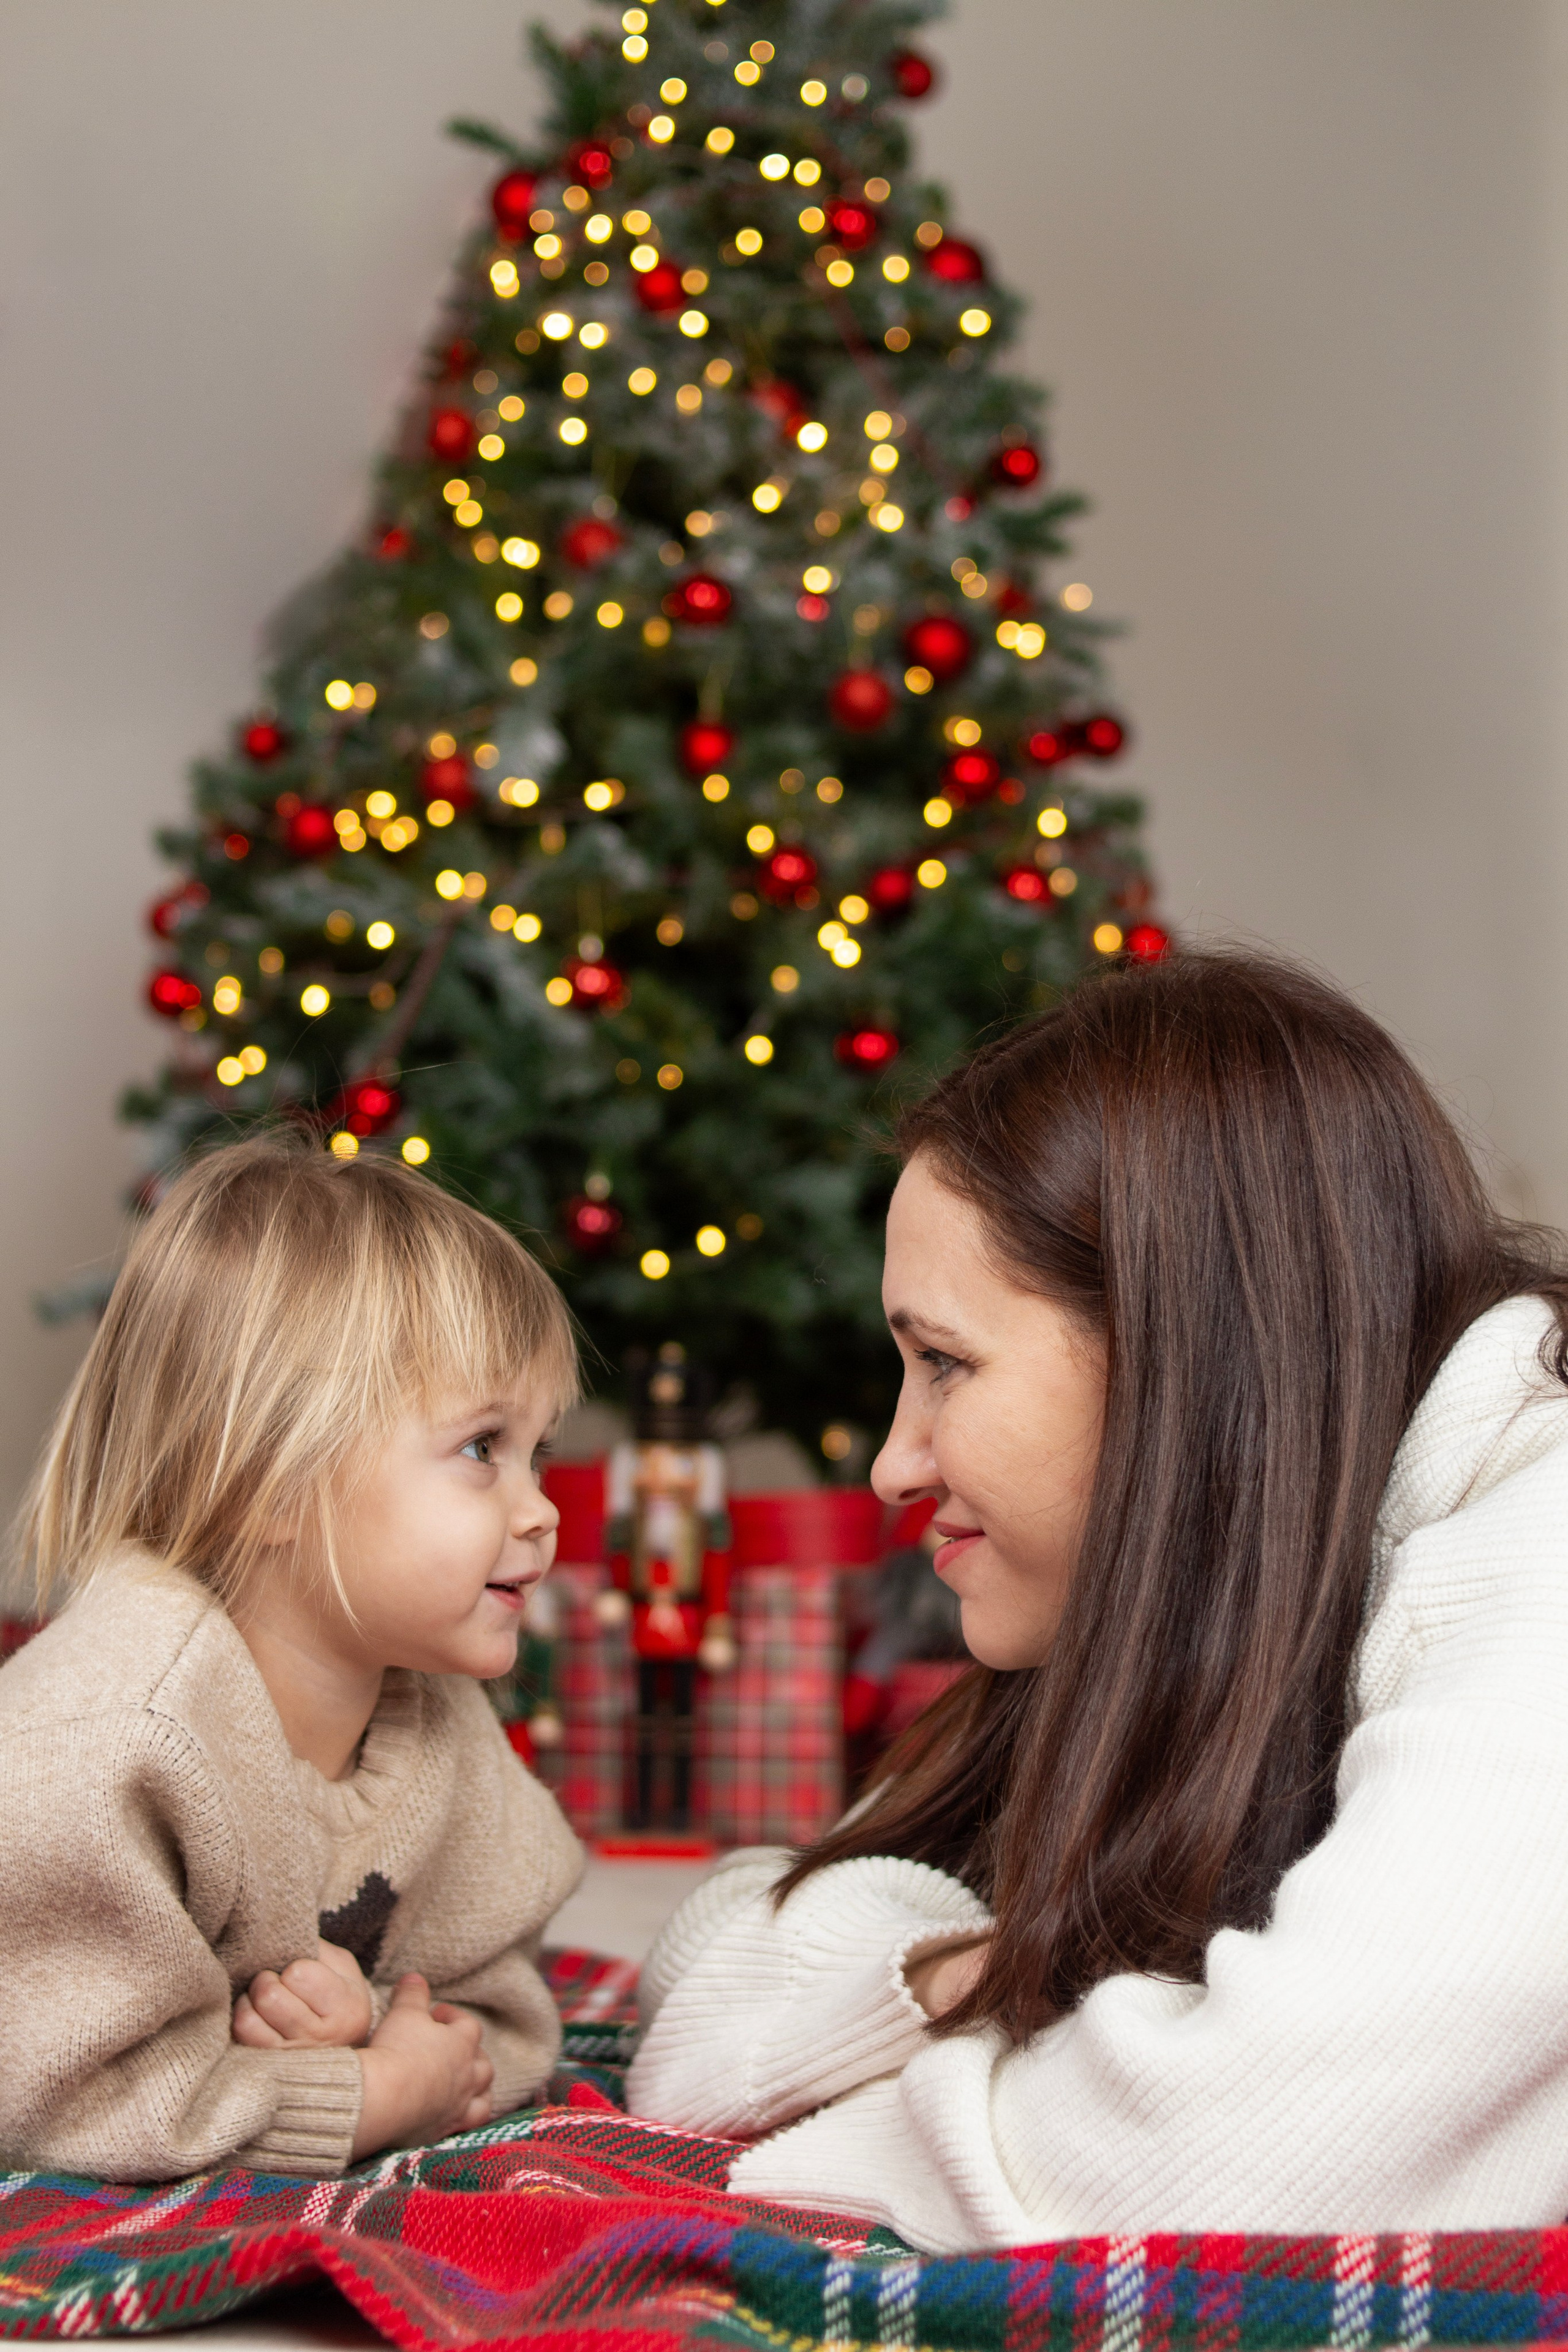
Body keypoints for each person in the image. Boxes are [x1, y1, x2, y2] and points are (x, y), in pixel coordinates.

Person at [628, 949, 1568, 2249]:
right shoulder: (1209, 1581)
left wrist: (852, 2119)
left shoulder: (1542, 1553)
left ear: (1182, 1350)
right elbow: (717, 1950)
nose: (894, 1465)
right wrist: (951, 1978)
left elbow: (1216, 2170)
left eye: (944, 1363)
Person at [0, 1137, 584, 2182]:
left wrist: (391, 2032)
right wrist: (366, 2096)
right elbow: (54, 2092)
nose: (540, 1510)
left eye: (537, 1453)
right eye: (481, 1448)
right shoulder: (112, 1741)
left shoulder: (436, 1715)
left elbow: (498, 2009)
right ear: (271, 1482)